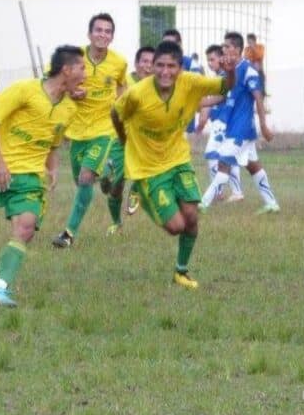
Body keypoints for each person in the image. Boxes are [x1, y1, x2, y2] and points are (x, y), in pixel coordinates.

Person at [0, 46, 85, 307]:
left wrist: (52, 168)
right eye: (82, 68)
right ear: (66, 69)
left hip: (30, 178)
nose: (85, 75)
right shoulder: (25, 90)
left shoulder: (69, 108)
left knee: (25, 228)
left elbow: (52, 142)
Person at [111, 40, 235, 289]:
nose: (165, 72)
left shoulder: (191, 82)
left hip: (178, 160)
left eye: (171, 66)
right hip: (148, 169)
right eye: (160, 65)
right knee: (176, 227)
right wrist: (126, 141)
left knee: (191, 216)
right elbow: (116, 114)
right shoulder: (137, 94)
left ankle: (181, 271)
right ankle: (144, 196)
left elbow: (225, 87)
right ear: (152, 67)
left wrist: (230, 70)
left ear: (180, 68)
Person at [52, 14, 127, 248]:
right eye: (98, 30)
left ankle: (68, 234)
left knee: (86, 177)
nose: (103, 35)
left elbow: (123, 84)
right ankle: (106, 172)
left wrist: (120, 106)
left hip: (104, 130)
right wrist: (71, 92)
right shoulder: (73, 59)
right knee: (82, 183)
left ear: (112, 37)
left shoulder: (118, 62)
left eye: (107, 31)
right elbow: (52, 81)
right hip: (76, 131)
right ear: (89, 34)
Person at [198, 32, 278, 215]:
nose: (223, 50)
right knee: (253, 165)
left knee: (224, 163)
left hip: (242, 129)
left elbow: (258, 97)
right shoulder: (230, 71)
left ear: (236, 49)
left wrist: (264, 125)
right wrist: (198, 104)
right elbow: (222, 96)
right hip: (234, 127)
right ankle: (272, 203)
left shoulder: (248, 70)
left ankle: (203, 203)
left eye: (226, 47)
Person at [99, 45, 153, 230]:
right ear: (137, 64)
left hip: (143, 142)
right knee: (114, 185)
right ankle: (116, 223)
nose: (148, 66)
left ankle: (137, 190)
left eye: (152, 63)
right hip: (121, 139)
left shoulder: (158, 86)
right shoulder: (125, 82)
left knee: (142, 175)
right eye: (144, 61)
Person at [196, 44, 243, 203]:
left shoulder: (224, 77)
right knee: (227, 156)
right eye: (208, 60)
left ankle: (219, 191)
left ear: (221, 58)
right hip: (223, 122)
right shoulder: (219, 77)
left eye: (212, 59)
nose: (210, 63)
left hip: (224, 123)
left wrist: (201, 107)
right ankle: (235, 192)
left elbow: (221, 98)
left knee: (212, 153)